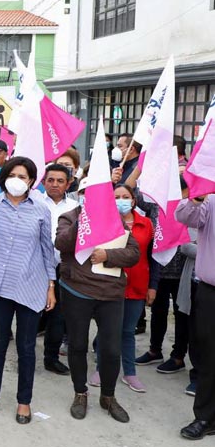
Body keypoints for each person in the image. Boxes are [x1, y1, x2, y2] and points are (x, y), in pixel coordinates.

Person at [0, 156, 57, 424]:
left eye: (23, 177)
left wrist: (51, 286)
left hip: (31, 285)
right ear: (5, 178)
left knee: (26, 346)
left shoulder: (41, 209)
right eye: (13, 175)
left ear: (31, 181)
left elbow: (47, 249)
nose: (18, 181)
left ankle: (24, 401)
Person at [55, 193, 140, 422]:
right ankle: (80, 392)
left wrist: (107, 255)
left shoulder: (116, 221)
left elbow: (134, 253)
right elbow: (61, 243)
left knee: (112, 349)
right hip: (77, 291)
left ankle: (108, 396)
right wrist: (82, 221)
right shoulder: (68, 217)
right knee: (78, 344)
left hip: (111, 295)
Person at [87, 185, 158, 394]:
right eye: (116, 197)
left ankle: (130, 372)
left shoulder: (146, 224)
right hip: (108, 285)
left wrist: (153, 286)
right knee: (107, 330)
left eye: (125, 197)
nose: (121, 200)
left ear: (134, 200)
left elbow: (153, 259)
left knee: (127, 332)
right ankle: (102, 369)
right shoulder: (104, 222)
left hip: (136, 286)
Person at [175, 194, 215, 439]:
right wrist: (196, 197)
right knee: (209, 356)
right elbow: (184, 216)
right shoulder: (210, 201)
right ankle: (206, 417)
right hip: (211, 292)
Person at [39, 164, 80, 376]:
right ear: (43, 181)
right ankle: (24, 354)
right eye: (51, 180)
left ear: (68, 183)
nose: (54, 184)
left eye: (60, 181)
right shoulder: (34, 202)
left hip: (64, 266)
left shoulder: (75, 207)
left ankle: (51, 358)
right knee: (32, 313)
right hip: (36, 266)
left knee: (58, 316)